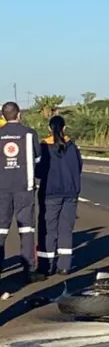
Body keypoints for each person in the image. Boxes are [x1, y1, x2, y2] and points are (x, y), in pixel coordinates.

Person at [0, 102, 45, 283]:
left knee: (1, 231)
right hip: (24, 188)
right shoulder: (29, 133)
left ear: (3, 116)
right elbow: (38, 158)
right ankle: (29, 270)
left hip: (1, 189)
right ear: (18, 115)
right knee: (26, 229)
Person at [36, 115, 83, 276]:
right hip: (70, 193)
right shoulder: (72, 146)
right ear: (65, 128)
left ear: (50, 128)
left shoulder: (44, 146)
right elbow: (79, 167)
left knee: (48, 230)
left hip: (50, 193)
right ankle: (64, 266)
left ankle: (46, 265)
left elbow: (39, 171)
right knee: (66, 229)